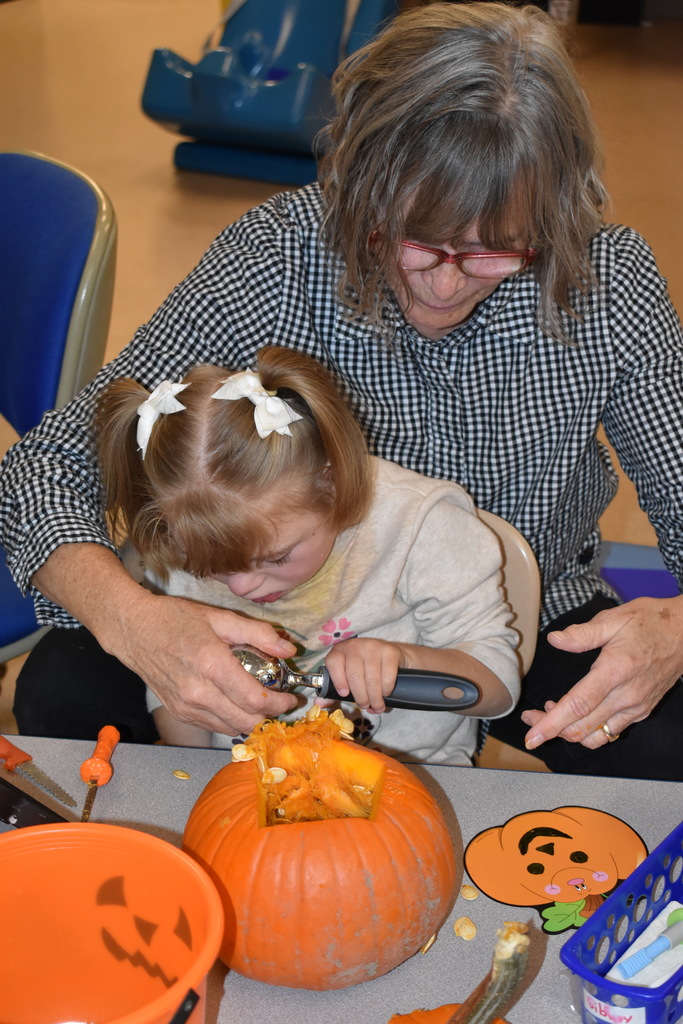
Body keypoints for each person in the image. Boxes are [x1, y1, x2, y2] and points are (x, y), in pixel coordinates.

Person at [1, 2, 682, 778]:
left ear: (556, 213)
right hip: (264, 613)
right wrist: (136, 620)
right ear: (360, 180)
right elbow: (45, 466)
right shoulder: (279, 255)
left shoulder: (605, 282)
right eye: (416, 240)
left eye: (494, 252)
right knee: (65, 690)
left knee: (663, 739)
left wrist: (673, 629)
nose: (446, 283)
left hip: (508, 622)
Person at [92, 346, 519, 763]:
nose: (242, 586)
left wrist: (405, 660)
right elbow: (174, 685)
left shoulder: (420, 528)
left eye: (276, 558)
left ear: (330, 486)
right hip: (247, 774)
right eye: (212, 569)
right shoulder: (181, 535)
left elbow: (498, 684)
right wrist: (195, 764)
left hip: (415, 775)